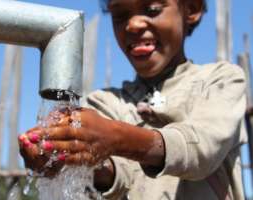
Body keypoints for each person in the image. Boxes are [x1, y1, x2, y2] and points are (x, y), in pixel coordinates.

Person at [18, 0, 247, 199]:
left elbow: (203, 149)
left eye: (152, 8)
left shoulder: (221, 81)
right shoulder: (103, 104)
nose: (133, 24)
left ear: (191, 9)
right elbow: (120, 176)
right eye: (120, 15)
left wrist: (117, 138)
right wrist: (70, 159)